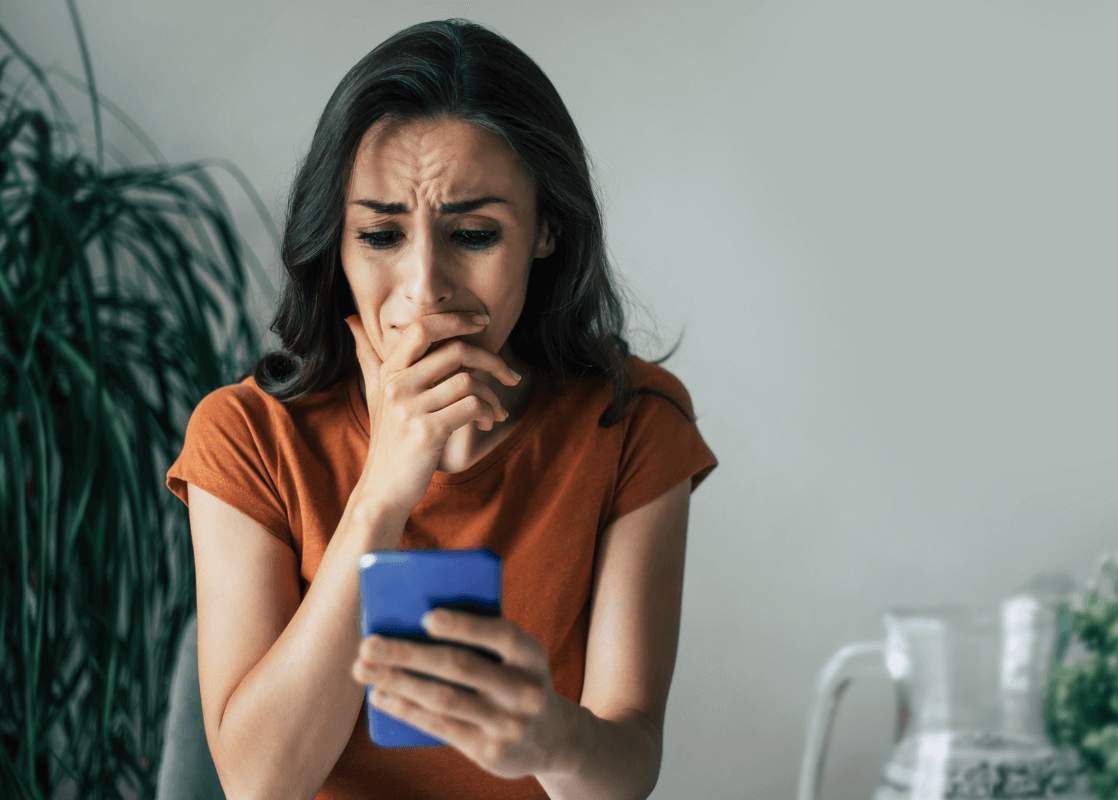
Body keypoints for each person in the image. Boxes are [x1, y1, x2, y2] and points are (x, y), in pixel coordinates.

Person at [166, 18, 716, 800]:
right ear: (337, 242)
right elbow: (259, 785)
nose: (425, 288)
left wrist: (552, 737)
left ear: (547, 232)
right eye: (382, 234)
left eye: (475, 234)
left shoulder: (633, 425)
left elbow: (623, 770)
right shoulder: (246, 435)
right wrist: (385, 489)